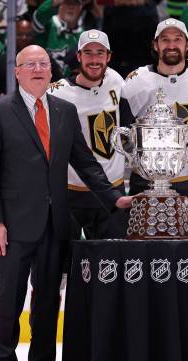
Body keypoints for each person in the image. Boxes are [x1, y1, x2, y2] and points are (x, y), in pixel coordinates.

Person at [0, 45, 131, 361]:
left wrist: (112, 198)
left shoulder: (63, 110)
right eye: (30, 64)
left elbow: (85, 162)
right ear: (17, 72)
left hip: (55, 223)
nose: (38, 69)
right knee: (8, 300)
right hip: (12, 227)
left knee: (47, 301)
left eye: (44, 63)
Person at [120, 18, 188, 239]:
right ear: (155, 45)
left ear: (187, 44)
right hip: (150, 186)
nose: (171, 45)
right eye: (165, 40)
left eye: (177, 39)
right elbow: (125, 134)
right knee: (148, 256)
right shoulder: (135, 83)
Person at [48, 29, 127, 239]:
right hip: (70, 193)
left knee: (112, 264)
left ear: (109, 56)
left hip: (112, 192)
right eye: (88, 53)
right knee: (65, 265)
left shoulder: (116, 81)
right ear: (79, 56)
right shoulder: (58, 93)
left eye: (100, 53)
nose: (94, 59)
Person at [0, 19, 63, 98]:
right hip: (8, 107)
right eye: (19, 34)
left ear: (33, 36)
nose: (24, 38)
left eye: (28, 35)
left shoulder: (45, 60)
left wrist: (46, 89)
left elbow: (60, 84)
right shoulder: (0, 62)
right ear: (12, 36)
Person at [33, 0, 84, 75]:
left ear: (80, 8)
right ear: (59, 5)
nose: (71, 7)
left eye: (75, 3)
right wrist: (53, 2)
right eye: (67, 3)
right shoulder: (49, 24)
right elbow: (39, 16)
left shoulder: (84, 35)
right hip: (45, 83)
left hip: (71, 84)